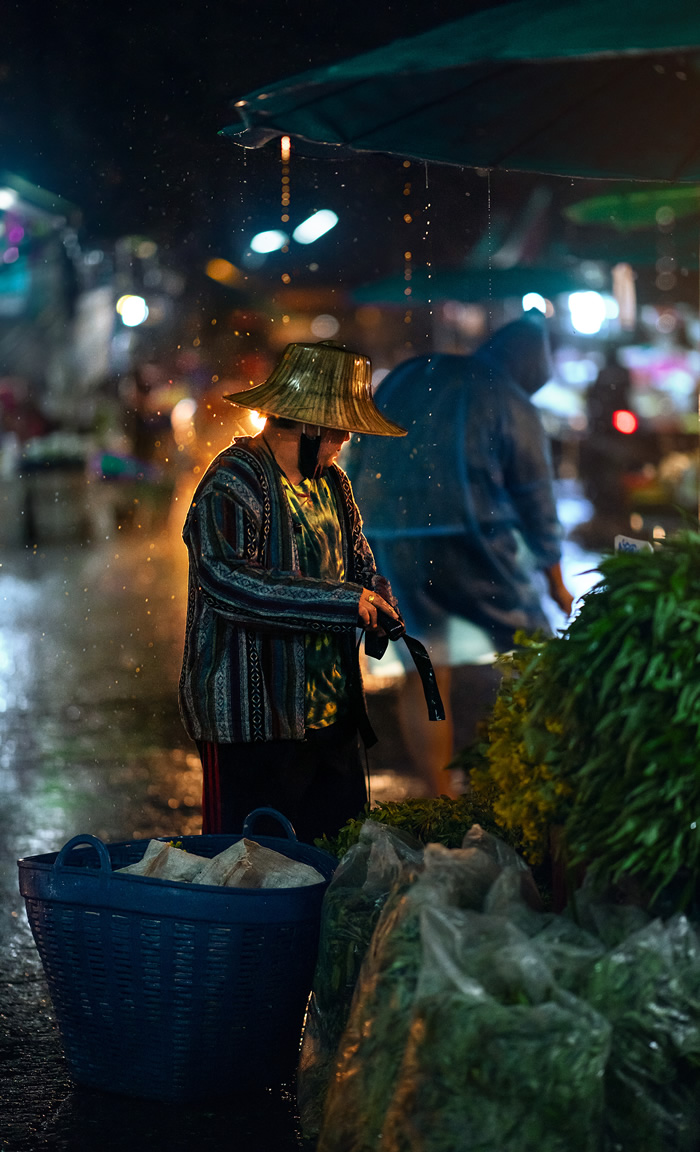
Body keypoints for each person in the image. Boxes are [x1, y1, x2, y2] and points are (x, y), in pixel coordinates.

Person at [178, 340, 406, 843]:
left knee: (333, 859)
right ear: (304, 423)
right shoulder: (232, 482)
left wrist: (376, 595)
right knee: (250, 865)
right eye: (337, 426)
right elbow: (231, 586)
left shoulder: (334, 485)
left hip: (332, 716)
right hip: (253, 723)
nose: (346, 437)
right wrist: (346, 603)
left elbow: (360, 563)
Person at [346, 312, 573, 796]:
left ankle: (442, 799)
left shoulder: (409, 374)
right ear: (532, 363)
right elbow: (537, 497)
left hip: (389, 537)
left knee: (426, 671)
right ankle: (542, 785)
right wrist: (555, 582)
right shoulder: (507, 396)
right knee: (533, 655)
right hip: (472, 538)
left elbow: (358, 457)